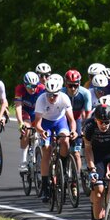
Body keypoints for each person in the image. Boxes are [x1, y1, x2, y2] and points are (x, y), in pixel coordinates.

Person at [32, 74, 77, 202]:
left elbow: (71, 120)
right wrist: (41, 131)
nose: (51, 98)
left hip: (59, 121)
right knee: (46, 149)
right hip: (45, 123)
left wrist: (73, 131)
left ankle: (62, 165)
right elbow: (37, 124)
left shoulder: (64, 98)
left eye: (54, 95)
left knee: (65, 141)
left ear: (59, 93)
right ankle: (46, 187)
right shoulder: (41, 99)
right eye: (49, 94)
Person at [14, 71, 46, 172]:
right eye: (29, 86)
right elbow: (18, 107)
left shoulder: (42, 89)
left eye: (34, 86)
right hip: (25, 112)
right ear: (24, 84)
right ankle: (23, 161)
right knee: (26, 130)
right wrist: (20, 123)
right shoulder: (20, 89)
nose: (32, 88)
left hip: (37, 112)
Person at [65, 69, 93, 174]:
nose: (72, 88)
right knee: (62, 144)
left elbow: (88, 114)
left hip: (77, 120)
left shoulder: (85, 93)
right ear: (65, 84)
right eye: (70, 85)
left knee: (76, 152)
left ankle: (75, 178)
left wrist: (84, 129)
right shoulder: (62, 93)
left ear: (79, 84)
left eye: (75, 85)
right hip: (63, 120)